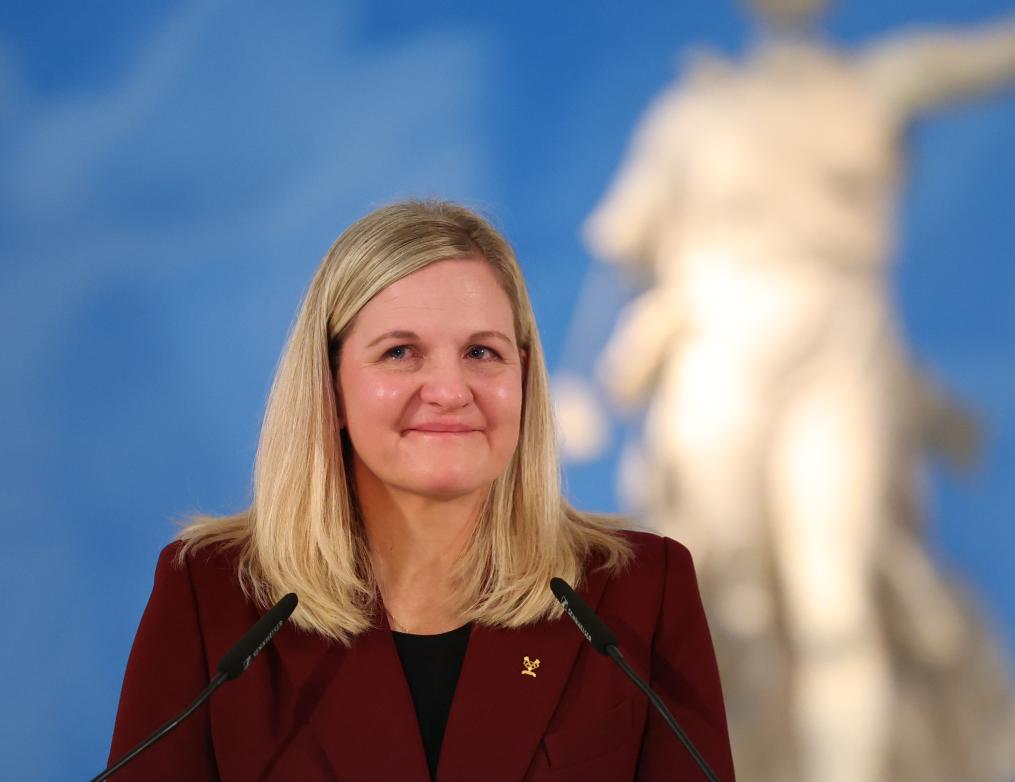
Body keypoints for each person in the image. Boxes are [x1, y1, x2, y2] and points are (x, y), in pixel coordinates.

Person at [106, 200, 735, 781]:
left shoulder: (639, 593)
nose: (450, 391)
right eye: (401, 352)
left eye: (482, 353)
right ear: (330, 386)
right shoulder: (213, 596)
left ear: (524, 378)